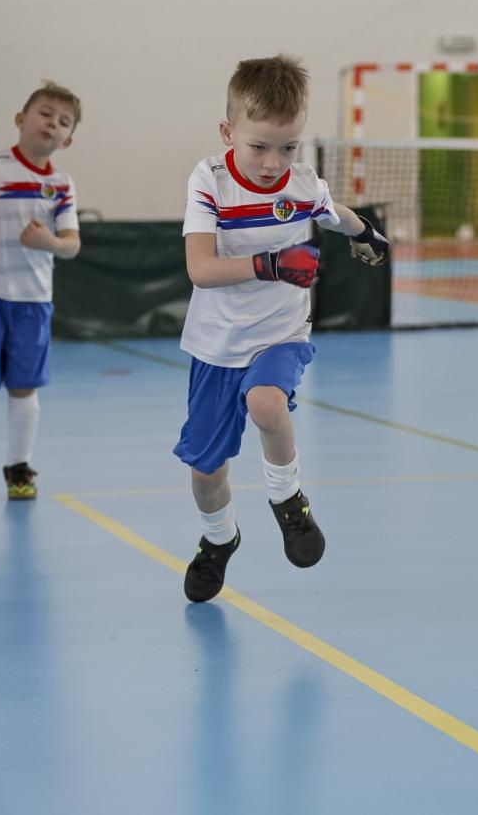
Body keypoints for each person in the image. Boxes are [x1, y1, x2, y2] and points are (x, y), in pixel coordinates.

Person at [177, 55, 389, 602]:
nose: (274, 163)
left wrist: (364, 231)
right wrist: (270, 265)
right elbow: (200, 269)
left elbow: (328, 207)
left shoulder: (300, 181)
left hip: (280, 333)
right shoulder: (210, 181)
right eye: (260, 146)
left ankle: (288, 501)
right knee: (206, 473)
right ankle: (219, 539)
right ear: (230, 133)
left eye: (289, 147)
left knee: (267, 404)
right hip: (216, 344)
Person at [0, 81, 84, 500]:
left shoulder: (62, 184)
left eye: (63, 122)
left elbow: (71, 244)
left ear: (69, 139)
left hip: (33, 302)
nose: (52, 123)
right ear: (20, 119)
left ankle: (19, 466)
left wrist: (49, 243)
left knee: (24, 386)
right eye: (45, 113)